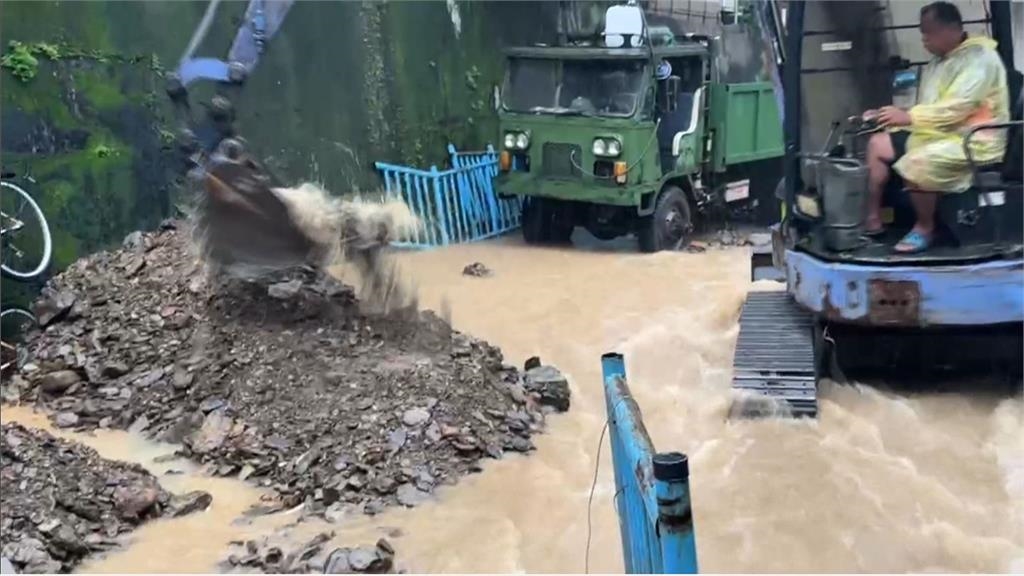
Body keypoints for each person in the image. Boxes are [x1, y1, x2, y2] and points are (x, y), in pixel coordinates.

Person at [861, 1, 1009, 253]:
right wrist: (888, 115)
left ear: (950, 30)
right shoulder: (938, 63)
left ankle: (925, 227)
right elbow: (931, 108)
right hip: (939, 133)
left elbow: (956, 109)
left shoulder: (980, 60)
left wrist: (909, 118)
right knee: (878, 144)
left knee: (917, 163)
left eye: (928, 33)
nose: (924, 41)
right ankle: (872, 220)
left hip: (974, 141)